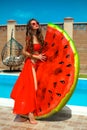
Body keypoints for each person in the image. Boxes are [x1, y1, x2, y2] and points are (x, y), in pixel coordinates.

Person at [10, 18, 46, 124]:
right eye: (33, 24)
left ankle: (25, 112)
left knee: (34, 88)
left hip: (38, 65)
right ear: (30, 26)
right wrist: (36, 56)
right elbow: (24, 51)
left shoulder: (39, 37)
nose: (36, 25)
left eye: (37, 23)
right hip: (30, 64)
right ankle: (30, 114)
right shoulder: (29, 37)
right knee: (32, 88)